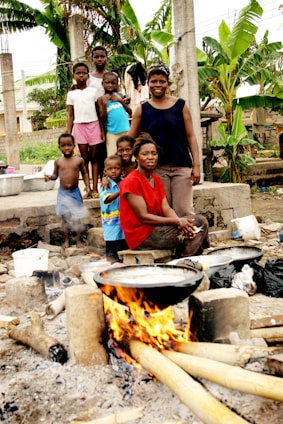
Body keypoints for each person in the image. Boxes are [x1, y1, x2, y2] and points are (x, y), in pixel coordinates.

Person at [128, 61, 200, 217]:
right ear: (148, 83)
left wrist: (197, 165)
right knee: (162, 211)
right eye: (153, 81)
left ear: (168, 83)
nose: (158, 85)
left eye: (162, 81)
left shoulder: (181, 106)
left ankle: (191, 241)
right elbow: (129, 141)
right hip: (156, 169)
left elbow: (191, 136)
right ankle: (170, 241)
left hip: (181, 167)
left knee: (184, 210)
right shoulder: (142, 110)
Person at [120, 136, 209, 257]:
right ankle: (184, 262)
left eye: (153, 154)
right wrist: (177, 221)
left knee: (196, 223)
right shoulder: (131, 181)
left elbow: (166, 208)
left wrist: (180, 223)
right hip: (141, 236)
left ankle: (185, 258)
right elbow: (144, 217)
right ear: (136, 157)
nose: (150, 157)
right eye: (145, 154)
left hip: (156, 228)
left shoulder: (156, 180)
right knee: (199, 224)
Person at [45, 133, 91, 249]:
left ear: (74, 145)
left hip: (75, 192)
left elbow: (85, 173)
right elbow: (55, 175)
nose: (66, 148)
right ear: (59, 147)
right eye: (63, 145)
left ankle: (78, 241)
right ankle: (66, 240)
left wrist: (88, 186)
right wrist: (50, 177)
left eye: (69, 145)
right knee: (65, 218)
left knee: (77, 217)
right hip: (63, 193)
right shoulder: (58, 162)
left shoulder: (79, 160)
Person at [66, 62, 104, 198]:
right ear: (74, 75)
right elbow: (70, 115)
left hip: (93, 126)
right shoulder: (71, 94)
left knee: (95, 158)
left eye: (84, 73)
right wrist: (68, 134)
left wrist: (102, 130)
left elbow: (99, 113)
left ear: (88, 75)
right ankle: (87, 188)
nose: (81, 75)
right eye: (78, 73)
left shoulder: (93, 91)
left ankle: (95, 189)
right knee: (84, 159)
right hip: (79, 127)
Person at [99, 155, 128, 263]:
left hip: (123, 219)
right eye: (110, 169)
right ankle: (111, 262)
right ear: (105, 171)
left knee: (123, 240)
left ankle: (123, 263)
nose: (114, 171)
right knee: (111, 242)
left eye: (116, 168)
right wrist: (120, 191)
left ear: (122, 170)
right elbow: (106, 200)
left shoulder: (124, 181)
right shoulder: (105, 184)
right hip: (110, 221)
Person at [97, 71, 132, 157]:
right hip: (112, 133)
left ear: (117, 84)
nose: (110, 85)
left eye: (113, 83)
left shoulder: (119, 95)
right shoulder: (101, 99)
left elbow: (130, 111)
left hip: (126, 130)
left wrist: (120, 101)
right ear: (102, 83)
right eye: (107, 83)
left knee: (128, 155)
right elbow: (102, 119)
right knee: (113, 157)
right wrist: (105, 104)